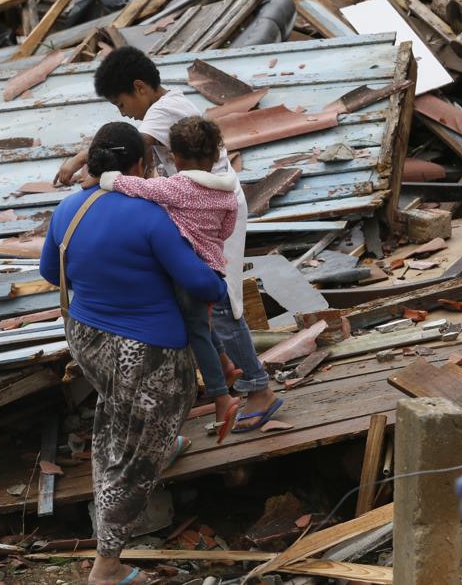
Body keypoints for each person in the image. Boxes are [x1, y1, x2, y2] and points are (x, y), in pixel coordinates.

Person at [55, 46, 282, 432]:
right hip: (201, 208)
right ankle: (226, 369)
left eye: (121, 101)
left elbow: (131, 143)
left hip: (210, 210)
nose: (122, 110)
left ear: (140, 87)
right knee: (199, 302)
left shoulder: (163, 111)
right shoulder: (167, 107)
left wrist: (88, 167)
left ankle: (259, 388)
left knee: (222, 302)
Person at [40, 122, 227, 585]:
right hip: (145, 353)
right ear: (140, 166)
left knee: (118, 412)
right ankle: (107, 565)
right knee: (133, 458)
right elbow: (203, 284)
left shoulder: (68, 208)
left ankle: (160, 446)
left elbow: (49, 271)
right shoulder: (150, 216)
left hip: (85, 338)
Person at [100, 116, 242, 442]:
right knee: (202, 325)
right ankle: (226, 363)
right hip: (214, 266)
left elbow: (140, 186)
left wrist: (107, 179)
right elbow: (225, 230)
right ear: (215, 154)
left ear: (175, 157)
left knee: (195, 333)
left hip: (189, 270)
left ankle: (222, 397)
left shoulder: (177, 187)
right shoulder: (227, 194)